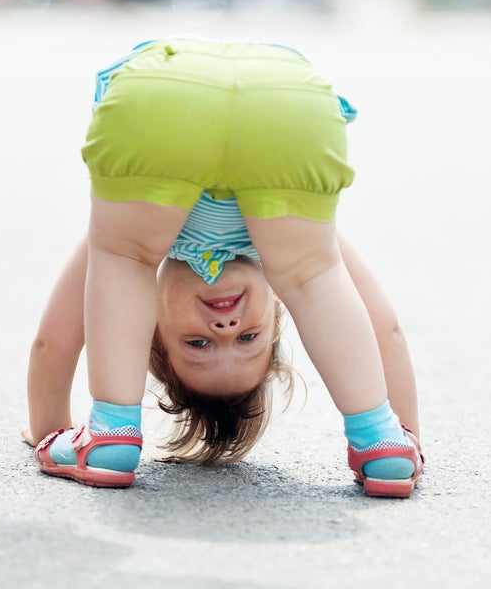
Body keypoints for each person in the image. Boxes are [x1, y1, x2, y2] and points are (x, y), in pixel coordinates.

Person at [26, 38, 423, 497]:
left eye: (198, 342)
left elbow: (51, 340)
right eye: (247, 338)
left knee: (127, 258)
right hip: (280, 100)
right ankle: (381, 438)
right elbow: (384, 329)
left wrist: (48, 430)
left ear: (147, 325)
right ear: (276, 311)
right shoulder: (290, 246)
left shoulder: (136, 237)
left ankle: (111, 431)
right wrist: (407, 431)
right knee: (310, 275)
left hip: (177, 93)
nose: (225, 324)